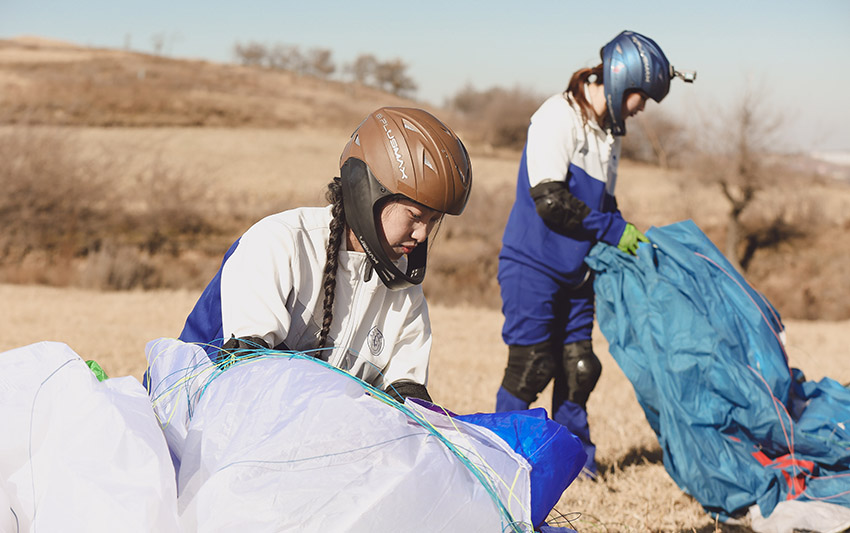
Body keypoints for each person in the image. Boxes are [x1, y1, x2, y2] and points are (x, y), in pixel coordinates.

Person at [494, 30, 694, 475]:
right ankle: (499, 455)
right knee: (532, 367)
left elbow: (600, 205)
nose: (642, 108)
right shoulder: (556, 116)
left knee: (579, 367)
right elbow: (551, 201)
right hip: (533, 265)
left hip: (579, 272)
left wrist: (628, 234)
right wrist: (612, 229)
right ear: (623, 80)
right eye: (642, 97)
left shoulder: (609, 135)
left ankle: (577, 463)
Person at [178, 107, 472, 404]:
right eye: (415, 216)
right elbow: (246, 379)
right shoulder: (280, 242)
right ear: (367, 193)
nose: (422, 234)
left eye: (433, 221)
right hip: (194, 424)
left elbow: (409, 404)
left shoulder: (406, 293)